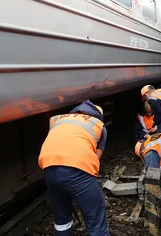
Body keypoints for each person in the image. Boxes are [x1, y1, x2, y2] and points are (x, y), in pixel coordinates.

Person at [38, 100, 110, 236]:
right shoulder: (98, 125)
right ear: (97, 116)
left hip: (49, 168)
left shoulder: (59, 120)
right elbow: (95, 158)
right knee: (95, 220)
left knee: (62, 219)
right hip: (78, 170)